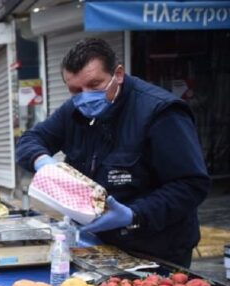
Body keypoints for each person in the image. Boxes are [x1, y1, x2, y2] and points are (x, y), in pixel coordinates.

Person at [16, 38, 210, 267]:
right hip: (98, 245)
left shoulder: (161, 113)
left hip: (157, 251)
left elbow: (191, 185)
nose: (85, 96)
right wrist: (43, 162)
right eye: (75, 90)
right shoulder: (75, 109)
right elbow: (30, 140)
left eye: (95, 85)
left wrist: (134, 215)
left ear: (118, 74)